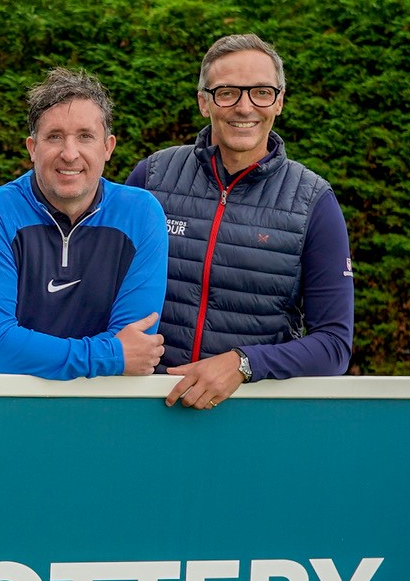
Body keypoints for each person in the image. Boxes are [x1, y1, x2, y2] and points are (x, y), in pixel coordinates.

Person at [126, 34, 354, 410]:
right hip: (143, 404)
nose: (245, 107)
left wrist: (243, 363)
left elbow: (334, 345)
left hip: (251, 413)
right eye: (227, 91)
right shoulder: (152, 177)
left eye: (262, 92)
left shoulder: (314, 202)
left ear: (279, 101)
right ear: (204, 102)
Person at [0, 68, 167, 379]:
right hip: (8, 405)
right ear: (32, 148)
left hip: (101, 407)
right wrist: (110, 355)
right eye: (54, 137)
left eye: (85, 136)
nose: (69, 154)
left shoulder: (142, 214)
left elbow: (137, 341)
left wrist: (24, 356)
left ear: (108, 147)